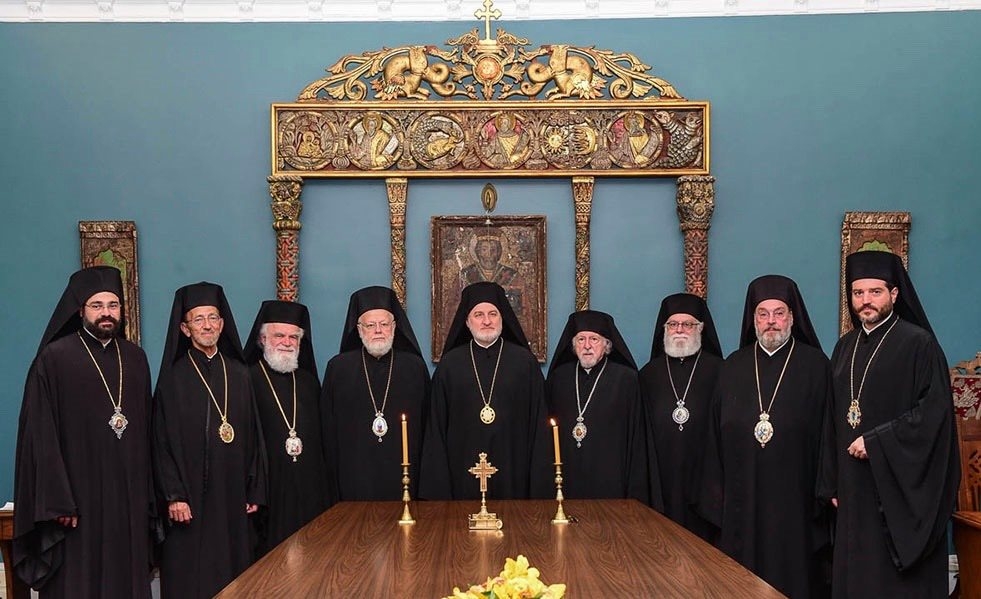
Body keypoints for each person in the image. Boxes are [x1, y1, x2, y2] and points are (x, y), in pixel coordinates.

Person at [818, 251, 958, 597]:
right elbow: (831, 418)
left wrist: (878, 442)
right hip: (852, 486)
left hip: (898, 490)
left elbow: (934, 416)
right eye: (858, 292)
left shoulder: (919, 344)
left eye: (875, 291)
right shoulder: (844, 348)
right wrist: (831, 482)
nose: (865, 300)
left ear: (894, 294)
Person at [13, 266, 155, 598]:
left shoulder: (135, 359)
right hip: (76, 502)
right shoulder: (54, 358)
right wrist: (57, 502)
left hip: (127, 499)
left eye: (113, 305)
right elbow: (40, 437)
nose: (106, 313)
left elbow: (148, 434)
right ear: (80, 310)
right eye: (97, 305)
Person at [699, 275, 831, 598]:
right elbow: (714, 440)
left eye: (779, 313)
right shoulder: (733, 367)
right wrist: (717, 499)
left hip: (797, 504)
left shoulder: (817, 366)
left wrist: (825, 493)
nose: (771, 321)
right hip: (741, 504)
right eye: (763, 313)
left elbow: (830, 436)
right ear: (753, 319)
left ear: (792, 317)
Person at [152, 282, 266, 599]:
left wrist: (253, 487)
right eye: (198, 319)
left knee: (234, 575)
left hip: (232, 496)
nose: (207, 325)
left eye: (213, 318)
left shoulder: (239, 374)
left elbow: (254, 435)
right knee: (191, 578)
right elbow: (160, 442)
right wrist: (174, 495)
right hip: (189, 500)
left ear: (222, 324)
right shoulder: (173, 379)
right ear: (185, 329)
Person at [420, 281, 551, 500]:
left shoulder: (525, 363)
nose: (487, 321)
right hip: (461, 471)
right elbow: (436, 429)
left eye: (493, 314)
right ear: (467, 322)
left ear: (503, 318)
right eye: (478, 315)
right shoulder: (449, 365)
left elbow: (539, 427)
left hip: (514, 470)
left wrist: (539, 484)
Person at [321, 286, 431, 500]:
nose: (378, 330)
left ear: (394, 327)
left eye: (384, 324)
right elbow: (327, 432)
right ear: (359, 329)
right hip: (354, 479)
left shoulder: (414, 368)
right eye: (370, 325)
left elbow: (428, 428)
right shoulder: (338, 369)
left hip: (406, 478)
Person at [244, 300, 331, 556]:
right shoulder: (246, 378)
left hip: (309, 488)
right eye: (279, 335)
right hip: (269, 489)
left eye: (294, 337)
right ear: (262, 339)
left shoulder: (308, 382)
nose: (287, 342)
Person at [639, 293, 723, 539]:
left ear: (701, 328)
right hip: (661, 478)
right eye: (673, 324)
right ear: (664, 329)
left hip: (705, 477)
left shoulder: (721, 370)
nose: (679, 330)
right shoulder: (648, 375)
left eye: (687, 324)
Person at [545, 310, 649, 502]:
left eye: (594, 339)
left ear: (607, 345)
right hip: (567, 476)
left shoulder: (626, 380)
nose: (587, 346)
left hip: (610, 479)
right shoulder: (559, 378)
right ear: (573, 345)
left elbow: (637, 438)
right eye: (581, 339)